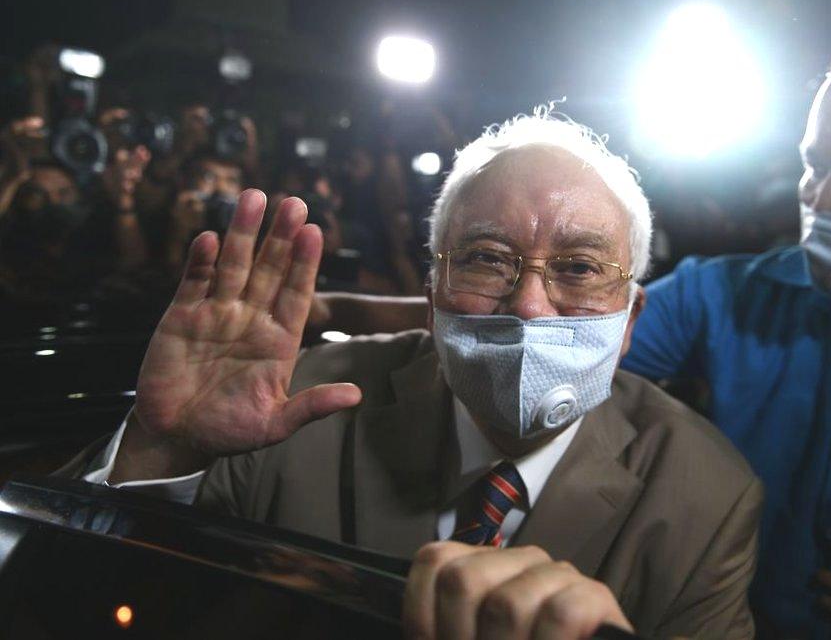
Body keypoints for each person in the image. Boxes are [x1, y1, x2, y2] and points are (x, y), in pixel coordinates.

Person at [306, 22, 831, 638]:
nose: (824, 198)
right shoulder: (724, 295)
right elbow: (541, 333)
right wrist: (333, 311)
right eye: (812, 164)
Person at [60, 111, 763, 639]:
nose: (527, 304)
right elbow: (85, 605)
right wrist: (164, 448)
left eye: (580, 268)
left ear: (632, 317)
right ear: (431, 295)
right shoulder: (296, 401)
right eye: (488, 258)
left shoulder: (704, 496)